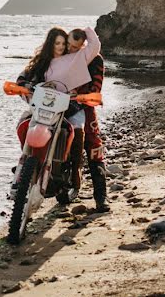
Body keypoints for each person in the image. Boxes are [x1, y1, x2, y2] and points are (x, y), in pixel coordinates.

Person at [14, 26, 101, 195]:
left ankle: (75, 171)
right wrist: (24, 86)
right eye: (57, 43)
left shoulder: (76, 58)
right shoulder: (41, 62)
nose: (61, 47)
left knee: (76, 130)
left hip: (70, 106)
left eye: (63, 43)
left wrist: (85, 30)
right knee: (23, 123)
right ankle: (28, 161)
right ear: (50, 44)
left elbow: (95, 45)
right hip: (45, 106)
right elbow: (22, 77)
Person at [68, 28, 109, 213]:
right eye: (68, 45)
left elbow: (97, 86)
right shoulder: (60, 57)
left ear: (83, 45)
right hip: (61, 105)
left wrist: (82, 95)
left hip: (85, 105)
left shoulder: (95, 59)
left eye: (75, 47)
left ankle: (101, 197)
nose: (70, 49)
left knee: (93, 145)